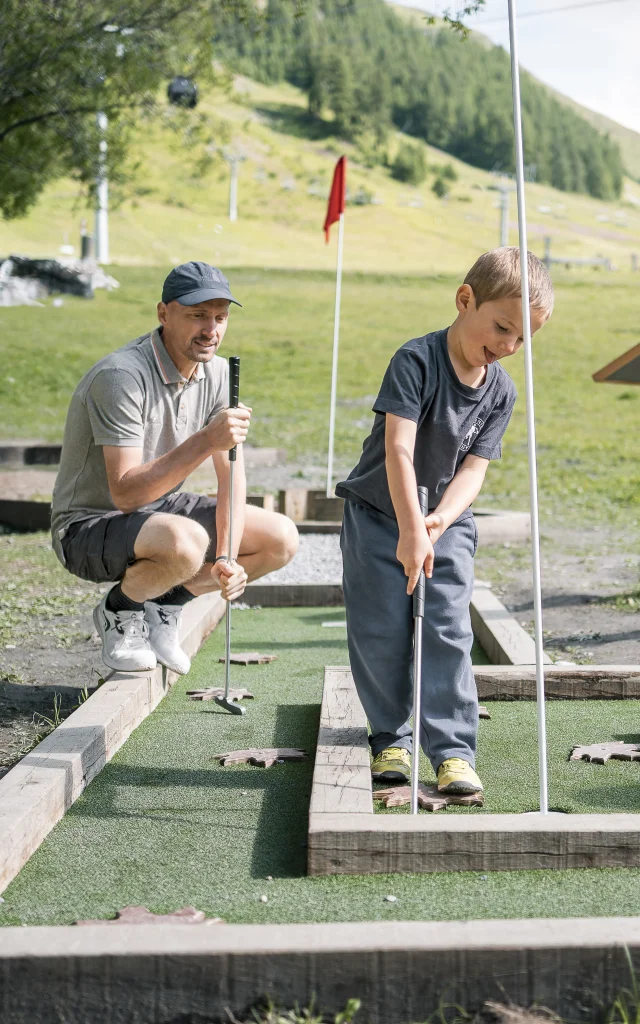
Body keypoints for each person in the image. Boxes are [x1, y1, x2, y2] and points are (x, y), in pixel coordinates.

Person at [336, 247, 554, 794]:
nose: (508, 346)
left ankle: (452, 751)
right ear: (465, 300)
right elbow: (399, 452)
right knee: (381, 628)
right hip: (378, 513)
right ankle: (391, 737)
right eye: (503, 327)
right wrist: (411, 526)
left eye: (523, 338)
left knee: (448, 630)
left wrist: (436, 522)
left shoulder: (500, 389)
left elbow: (474, 470)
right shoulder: (416, 360)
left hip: (445, 523)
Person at [51, 262, 298, 675]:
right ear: (163, 313)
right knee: (186, 543)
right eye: (197, 315)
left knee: (281, 538)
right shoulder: (121, 377)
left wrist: (226, 557)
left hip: (161, 515)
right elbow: (126, 494)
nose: (211, 330)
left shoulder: (217, 371)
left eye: (220, 317)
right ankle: (120, 609)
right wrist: (205, 439)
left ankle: (166, 603)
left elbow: (231, 478)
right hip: (88, 525)